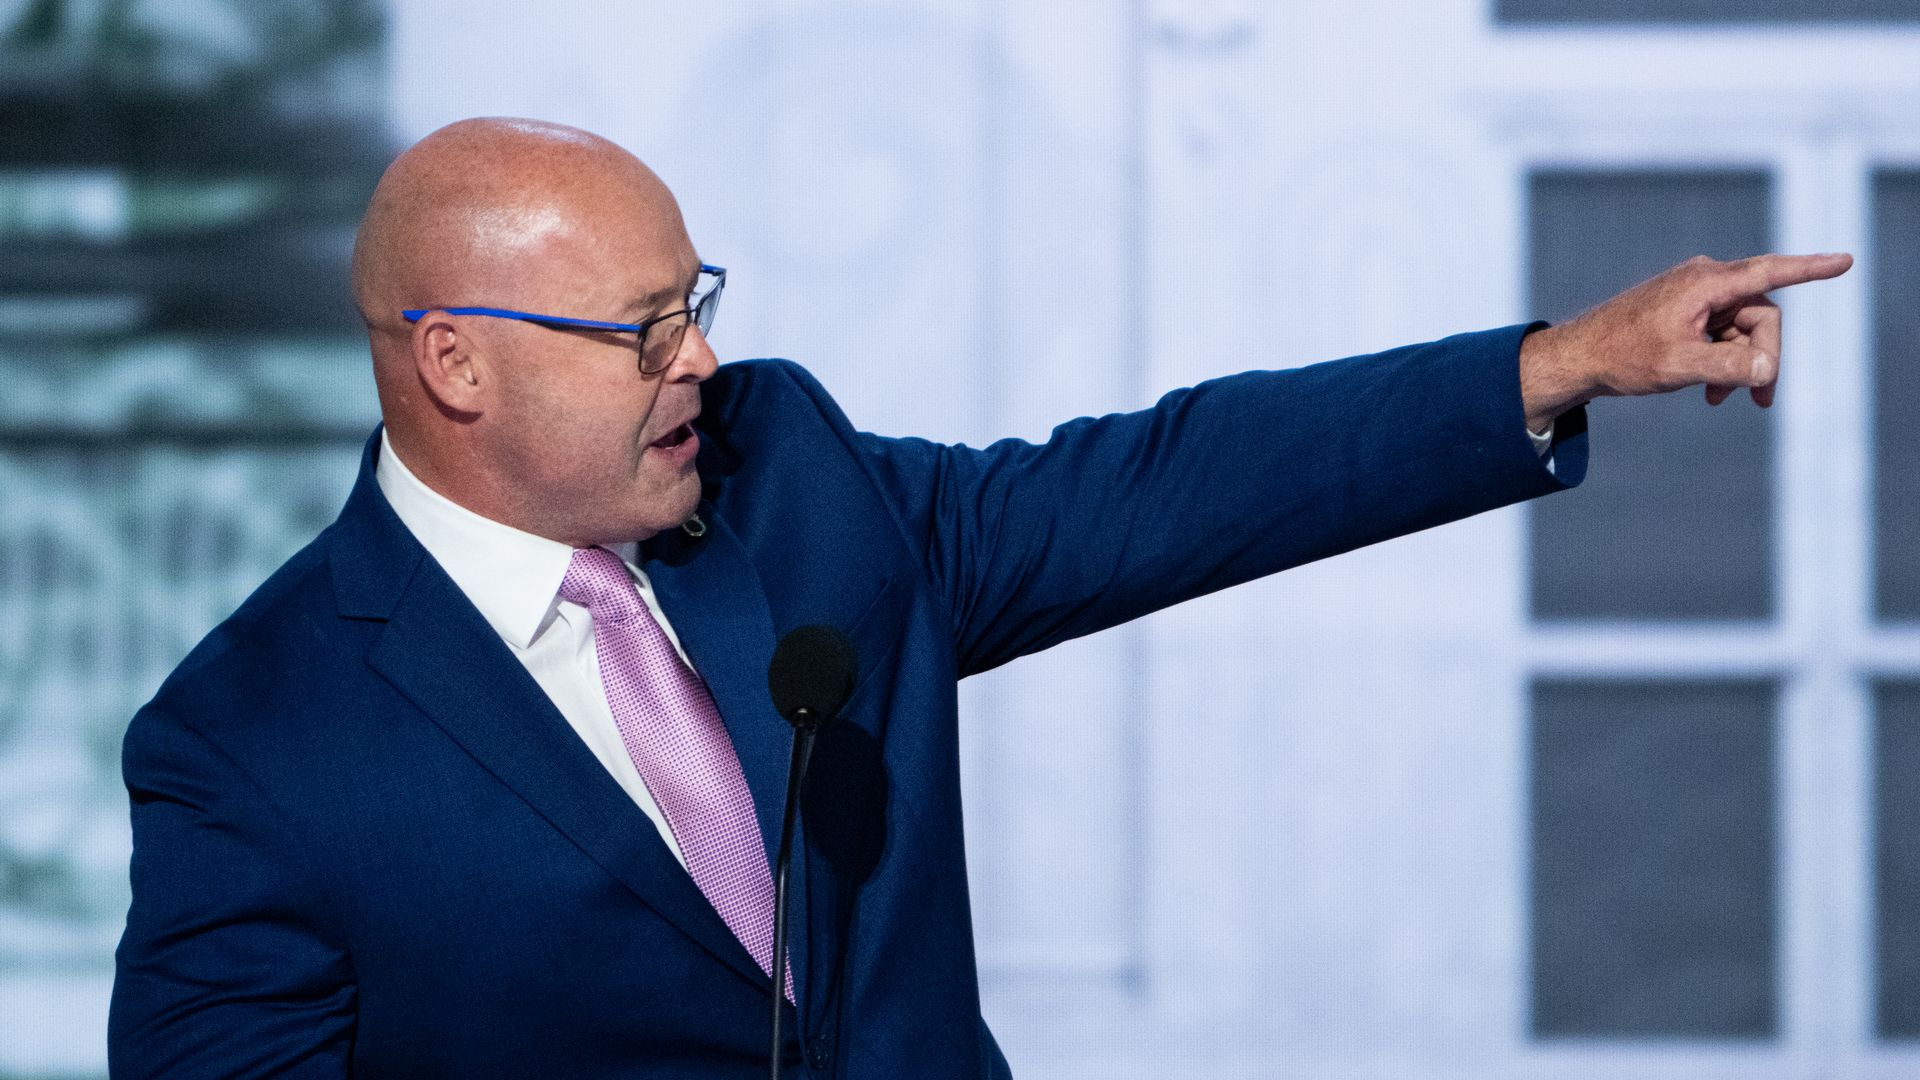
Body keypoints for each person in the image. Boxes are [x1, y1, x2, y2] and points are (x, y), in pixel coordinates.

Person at [105, 117, 1851, 1078]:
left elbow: (1162, 485)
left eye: (694, 301)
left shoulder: (791, 479)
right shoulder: (249, 746)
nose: (698, 358)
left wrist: (1557, 364)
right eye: (642, 331)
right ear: (456, 363)